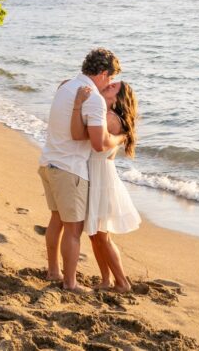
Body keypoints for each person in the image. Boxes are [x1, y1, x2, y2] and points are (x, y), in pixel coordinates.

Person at [38, 48, 121, 291]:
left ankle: (54, 271)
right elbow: (98, 143)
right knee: (73, 230)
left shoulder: (66, 86)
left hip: (48, 162)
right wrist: (121, 137)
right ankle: (70, 283)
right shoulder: (93, 98)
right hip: (69, 169)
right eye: (111, 78)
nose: (111, 83)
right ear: (103, 73)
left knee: (56, 220)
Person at [71, 81, 140, 292]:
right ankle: (105, 280)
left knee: (102, 234)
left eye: (113, 88)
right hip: (96, 173)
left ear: (118, 99)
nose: (107, 86)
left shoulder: (110, 118)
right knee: (94, 234)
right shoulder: (105, 114)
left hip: (101, 177)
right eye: (109, 84)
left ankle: (122, 282)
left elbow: (93, 141)